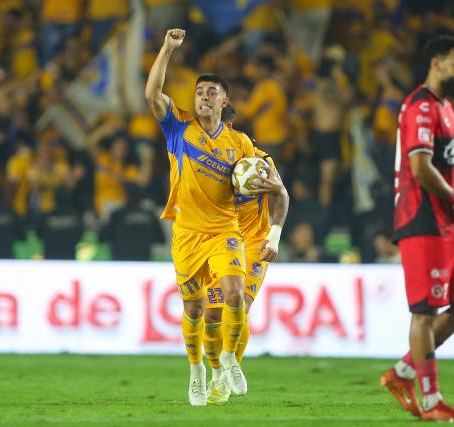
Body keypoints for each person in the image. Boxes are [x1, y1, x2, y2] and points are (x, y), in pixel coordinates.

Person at [145, 29, 271, 406]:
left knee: (234, 294)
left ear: (223, 101)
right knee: (194, 308)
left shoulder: (241, 144)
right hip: (186, 234)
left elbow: (254, 182)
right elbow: (152, 94)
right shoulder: (178, 127)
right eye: (199, 92)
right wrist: (167, 49)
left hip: (224, 232)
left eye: (211, 92)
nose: (203, 97)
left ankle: (229, 360)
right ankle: (197, 370)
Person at [380, 35, 454, 422]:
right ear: (436, 63)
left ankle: (403, 373)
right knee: (424, 313)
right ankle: (430, 399)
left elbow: (450, 170)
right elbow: (421, 169)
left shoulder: (447, 108)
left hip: (448, 224)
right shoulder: (420, 106)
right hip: (422, 219)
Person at [202, 105, 290, 405]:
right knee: (211, 314)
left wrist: (273, 237)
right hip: (216, 240)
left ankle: (226, 375)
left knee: (239, 304)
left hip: (253, 242)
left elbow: (282, 194)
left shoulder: (259, 162)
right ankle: (216, 372)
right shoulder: (203, 163)